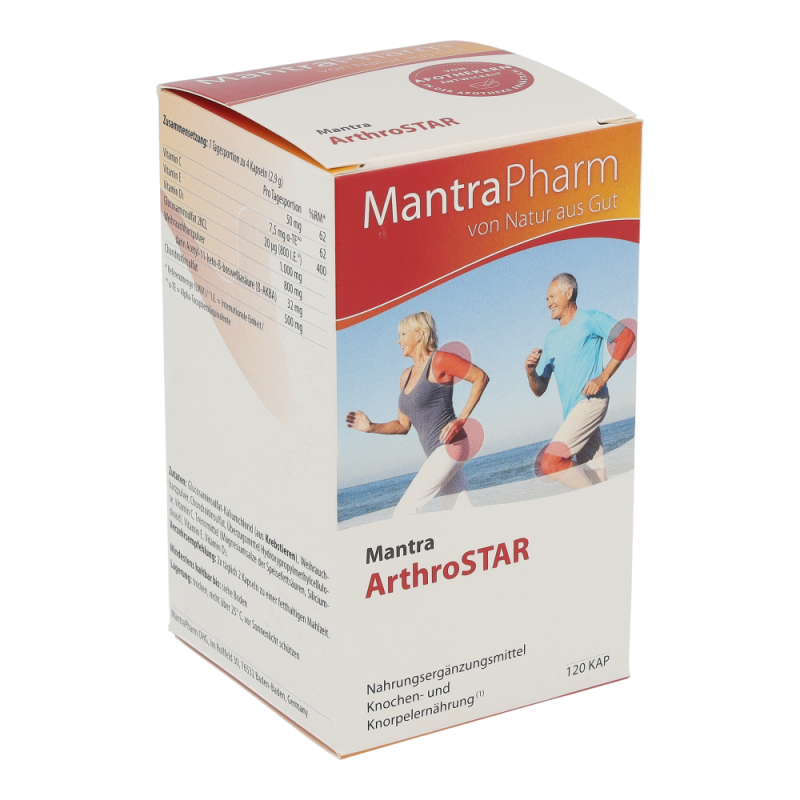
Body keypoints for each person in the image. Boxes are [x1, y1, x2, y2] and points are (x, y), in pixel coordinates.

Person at [346, 311, 489, 516]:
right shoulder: (405, 376)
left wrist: (462, 419)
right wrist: (371, 427)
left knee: (404, 512)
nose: (399, 341)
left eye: (403, 335)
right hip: (436, 451)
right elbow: (403, 425)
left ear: (420, 334)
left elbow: (480, 377)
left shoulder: (440, 360)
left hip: (451, 445)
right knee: (459, 514)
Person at [525, 273, 635, 489]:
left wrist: (602, 377)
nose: (548, 303)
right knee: (597, 480)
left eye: (552, 297)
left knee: (550, 462)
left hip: (591, 402)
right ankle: (604, 502)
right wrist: (530, 373)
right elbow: (540, 389)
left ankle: (592, 500)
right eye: (547, 299)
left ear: (569, 293)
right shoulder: (551, 339)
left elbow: (627, 336)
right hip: (573, 413)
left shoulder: (590, 318)